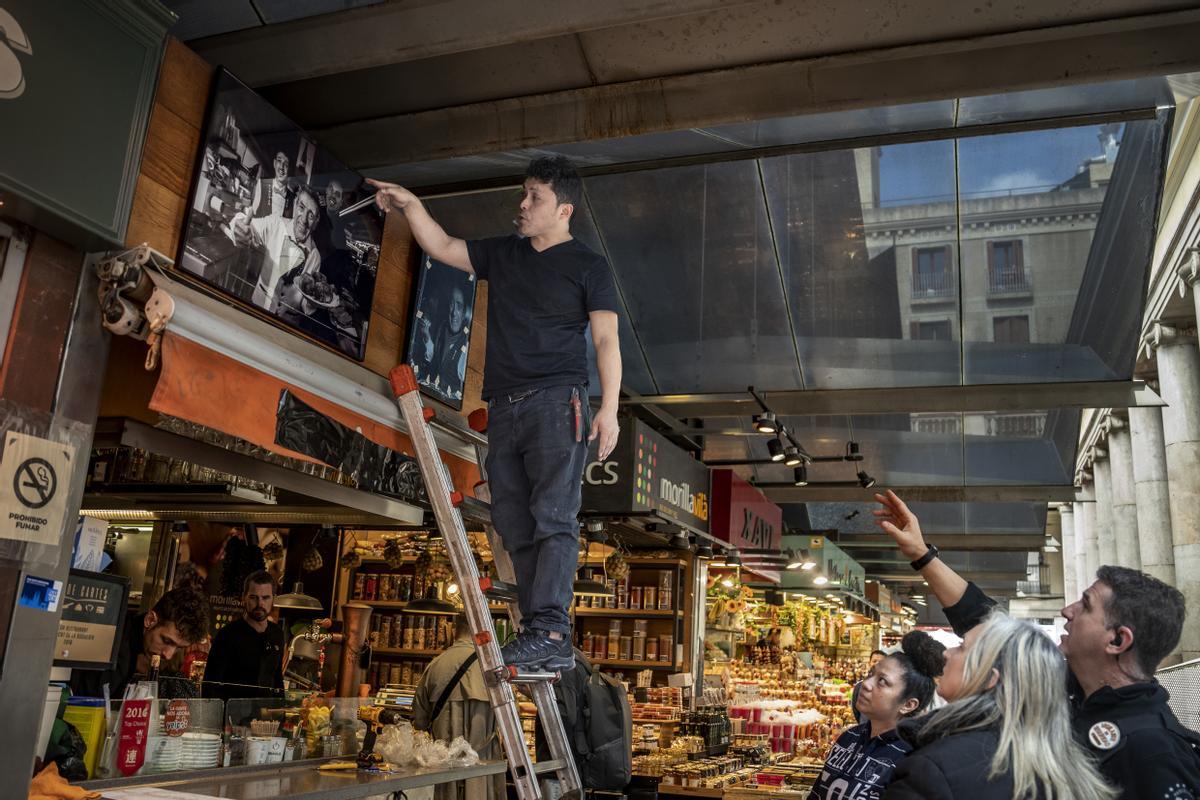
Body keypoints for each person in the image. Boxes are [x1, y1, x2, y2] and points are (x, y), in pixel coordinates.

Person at [368, 156, 622, 671]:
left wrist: (610, 409)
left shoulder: (589, 266)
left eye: (535, 198)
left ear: (564, 210)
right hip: (504, 406)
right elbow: (441, 247)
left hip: (558, 401)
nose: (522, 205)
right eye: (523, 194)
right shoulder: (504, 253)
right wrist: (412, 205)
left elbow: (606, 338)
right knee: (512, 522)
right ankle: (540, 631)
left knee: (553, 517)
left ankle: (550, 629)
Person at [875, 489, 1200, 798]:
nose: (1067, 611)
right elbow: (981, 623)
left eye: (1085, 605)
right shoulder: (1058, 686)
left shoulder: (1156, 751)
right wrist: (921, 554)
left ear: (1117, 640)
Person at [883, 610, 1118, 800]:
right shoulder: (1070, 771)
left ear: (989, 678)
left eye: (962, 647)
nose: (947, 653)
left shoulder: (932, 773)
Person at [809, 632, 943, 800]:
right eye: (871, 674)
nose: (865, 684)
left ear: (908, 705)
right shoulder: (848, 737)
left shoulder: (911, 760)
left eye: (882, 681)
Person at [412, 614, 503, 800]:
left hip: (444, 768)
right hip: (483, 769)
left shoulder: (435, 666)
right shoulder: (494, 668)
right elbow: (511, 720)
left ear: (454, 631)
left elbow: (419, 720)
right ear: (483, 632)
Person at [70, 586, 209, 700]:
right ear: (150, 620)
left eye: (179, 648)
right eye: (166, 640)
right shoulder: (114, 640)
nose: (168, 654)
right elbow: (89, 699)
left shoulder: (141, 649)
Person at [229, 184, 322, 310]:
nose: (304, 220)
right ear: (295, 205)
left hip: (286, 322)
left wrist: (313, 303)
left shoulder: (315, 257)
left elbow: (306, 304)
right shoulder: (275, 223)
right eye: (301, 207)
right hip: (257, 306)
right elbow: (247, 226)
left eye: (311, 216)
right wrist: (238, 226)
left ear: (316, 223)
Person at [202, 571, 285, 699]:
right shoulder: (227, 635)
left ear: (273, 598)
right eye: (253, 597)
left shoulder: (277, 634)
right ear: (243, 597)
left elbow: (277, 678)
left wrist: (281, 713)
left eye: (265, 598)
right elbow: (209, 685)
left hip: (266, 715)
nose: (260, 604)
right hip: (232, 714)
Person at [416, 283, 470, 400]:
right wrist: (427, 336)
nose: (454, 312)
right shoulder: (442, 329)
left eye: (459, 306)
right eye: (451, 304)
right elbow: (434, 358)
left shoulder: (467, 346)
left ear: (465, 310)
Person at [254, 150, 295, 220]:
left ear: (289, 169)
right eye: (279, 161)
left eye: (286, 164)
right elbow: (254, 213)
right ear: (274, 163)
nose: (282, 167)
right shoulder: (262, 185)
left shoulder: (293, 199)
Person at [851, 649, 888, 723]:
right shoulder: (860, 686)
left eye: (880, 662)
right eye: (874, 661)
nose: (877, 664)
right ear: (869, 663)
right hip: (864, 730)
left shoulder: (889, 687)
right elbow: (856, 709)